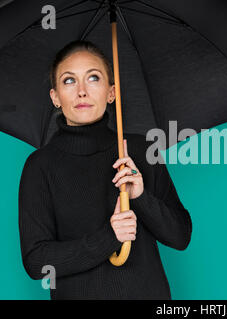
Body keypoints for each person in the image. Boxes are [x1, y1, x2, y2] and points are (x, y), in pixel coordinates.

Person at [18, 40, 192, 300]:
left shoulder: (140, 150)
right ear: (55, 97)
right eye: (68, 81)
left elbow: (180, 236)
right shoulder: (40, 166)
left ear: (112, 92)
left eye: (93, 78)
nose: (82, 92)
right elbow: (37, 262)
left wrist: (141, 198)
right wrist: (109, 237)